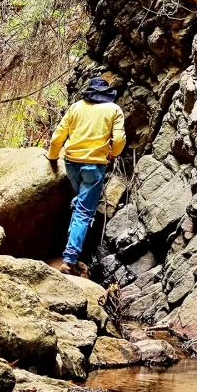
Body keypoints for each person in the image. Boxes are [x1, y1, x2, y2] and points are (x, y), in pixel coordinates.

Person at [47, 77, 125, 276]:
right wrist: (113, 153)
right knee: (83, 211)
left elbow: (58, 136)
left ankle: (69, 239)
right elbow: (118, 141)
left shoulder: (76, 107)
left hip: (71, 163)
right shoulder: (113, 110)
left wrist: (52, 156)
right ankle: (69, 259)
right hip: (94, 166)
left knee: (79, 202)